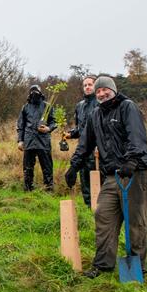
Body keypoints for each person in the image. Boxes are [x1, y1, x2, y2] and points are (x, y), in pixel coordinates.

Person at [65, 75, 147, 278]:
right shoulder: (95, 114)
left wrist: (132, 160)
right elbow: (85, 144)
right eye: (97, 91)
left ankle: (136, 266)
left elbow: (137, 135)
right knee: (103, 215)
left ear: (113, 90)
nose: (101, 93)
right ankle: (103, 264)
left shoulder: (127, 107)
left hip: (135, 172)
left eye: (105, 90)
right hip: (112, 175)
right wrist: (73, 167)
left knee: (135, 220)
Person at [63, 75, 99, 207]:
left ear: (96, 86)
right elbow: (80, 129)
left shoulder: (101, 103)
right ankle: (90, 210)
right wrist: (70, 134)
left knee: (100, 182)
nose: (87, 87)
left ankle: (102, 210)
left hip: (98, 150)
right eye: (85, 85)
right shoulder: (80, 106)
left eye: (90, 84)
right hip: (83, 150)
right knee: (85, 181)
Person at [16, 85, 56, 191]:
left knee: (47, 166)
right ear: (29, 94)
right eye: (32, 92)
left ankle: (49, 188)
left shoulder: (47, 106)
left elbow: (54, 122)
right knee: (28, 167)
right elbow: (21, 125)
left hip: (43, 141)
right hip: (29, 140)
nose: (35, 94)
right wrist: (20, 140)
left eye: (37, 92)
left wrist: (48, 128)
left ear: (40, 93)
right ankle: (28, 188)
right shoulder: (25, 107)